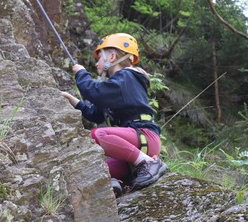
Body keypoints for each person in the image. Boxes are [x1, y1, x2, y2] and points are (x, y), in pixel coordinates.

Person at [61, 33, 168, 196]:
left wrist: (81, 73)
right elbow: (95, 114)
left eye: (99, 59)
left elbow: (94, 92)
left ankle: (148, 163)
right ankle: (118, 182)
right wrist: (72, 100)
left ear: (111, 56)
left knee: (97, 134)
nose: (97, 64)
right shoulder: (118, 87)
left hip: (144, 136)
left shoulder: (126, 77)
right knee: (97, 172)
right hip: (136, 144)